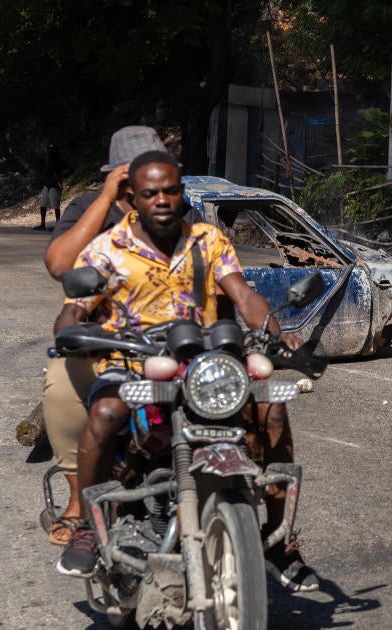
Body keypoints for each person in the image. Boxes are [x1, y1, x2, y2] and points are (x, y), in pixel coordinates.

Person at [53, 150, 319, 592]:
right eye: (150, 193)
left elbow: (243, 294)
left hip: (203, 362)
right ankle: (86, 523)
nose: (162, 200)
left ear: (182, 194)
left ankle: (278, 542)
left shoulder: (208, 241)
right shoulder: (106, 248)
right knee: (104, 414)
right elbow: (73, 308)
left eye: (171, 190)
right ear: (133, 198)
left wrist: (276, 332)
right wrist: (71, 331)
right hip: (131, 361)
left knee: (271, 409)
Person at [40, 126, 172, 548]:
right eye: (137, 174)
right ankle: (80, 502)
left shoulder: (175, 209)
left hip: (168, 336)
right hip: (100, 337)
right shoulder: (87, 208)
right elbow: (60, 264)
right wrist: (105, 197)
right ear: (117, 175)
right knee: (62, 387)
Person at [35, 143, 66, 231]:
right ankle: (43, 224)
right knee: (43, 204)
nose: (49, 152)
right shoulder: (49, 160)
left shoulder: (59, 161)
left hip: (55, 186)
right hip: (47, 185)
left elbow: (68, 168)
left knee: (55, 206)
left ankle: (58, 226)